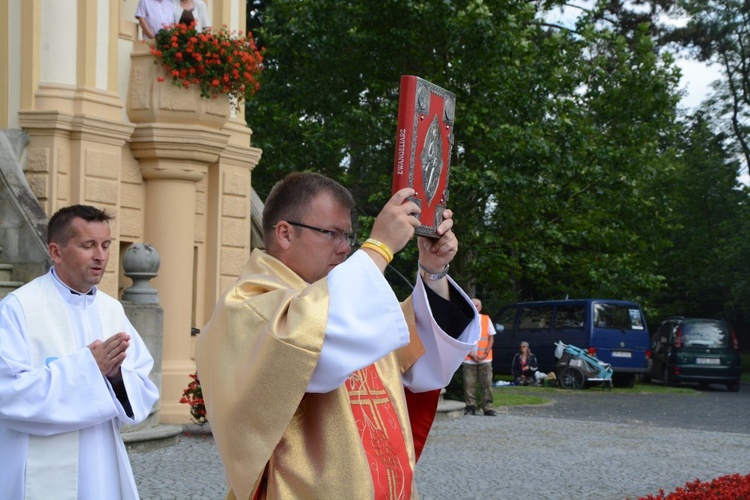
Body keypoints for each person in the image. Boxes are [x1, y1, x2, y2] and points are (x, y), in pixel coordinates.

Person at [196, 172, 480, 499]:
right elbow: (312, 345)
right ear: (286, 234)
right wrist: (379, 247)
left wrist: (433, 271)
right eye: (331, 233)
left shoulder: (347, 302)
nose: (346, 248)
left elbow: (421, 362)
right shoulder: (246, 306)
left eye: (349, 236)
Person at [0, 205, 159, 499]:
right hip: (38, 464)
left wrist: (115, 378)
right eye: (88, 245)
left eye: (106, 245)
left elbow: (142, 383)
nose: (101, 255)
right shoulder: (18, 308)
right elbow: (7, 392)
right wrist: (88, 367)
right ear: (56, 252)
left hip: (100, 463)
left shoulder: (112, 309)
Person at [462, 297, 497, 416]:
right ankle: (470, 406)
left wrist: (485, 353)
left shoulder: (486, 319)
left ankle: (487, 407)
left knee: (486, 383)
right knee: (469, 384)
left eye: (477, 305)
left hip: (485, 358)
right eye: (472, 305)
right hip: (469, 358)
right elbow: (462, 339)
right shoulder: (465, 319)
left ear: (480, 307)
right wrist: (471, 355)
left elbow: (491, 337)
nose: (475, 307)